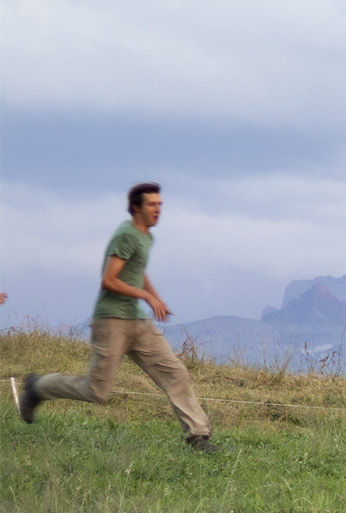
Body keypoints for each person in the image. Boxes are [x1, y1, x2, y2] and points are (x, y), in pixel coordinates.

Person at [13, 183, 214, 451]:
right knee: (96, 391)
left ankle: (197, 437)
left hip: (137, 322)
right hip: (111, 322)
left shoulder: (146, 237)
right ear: (136, 208)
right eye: (152, 205)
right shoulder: (126, 234)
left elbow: (137, 268)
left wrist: (156, 297)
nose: (158, 209)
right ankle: (37, 387)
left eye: (160, 204)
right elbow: (108, 280)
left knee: (175, 373)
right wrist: (145, 296)